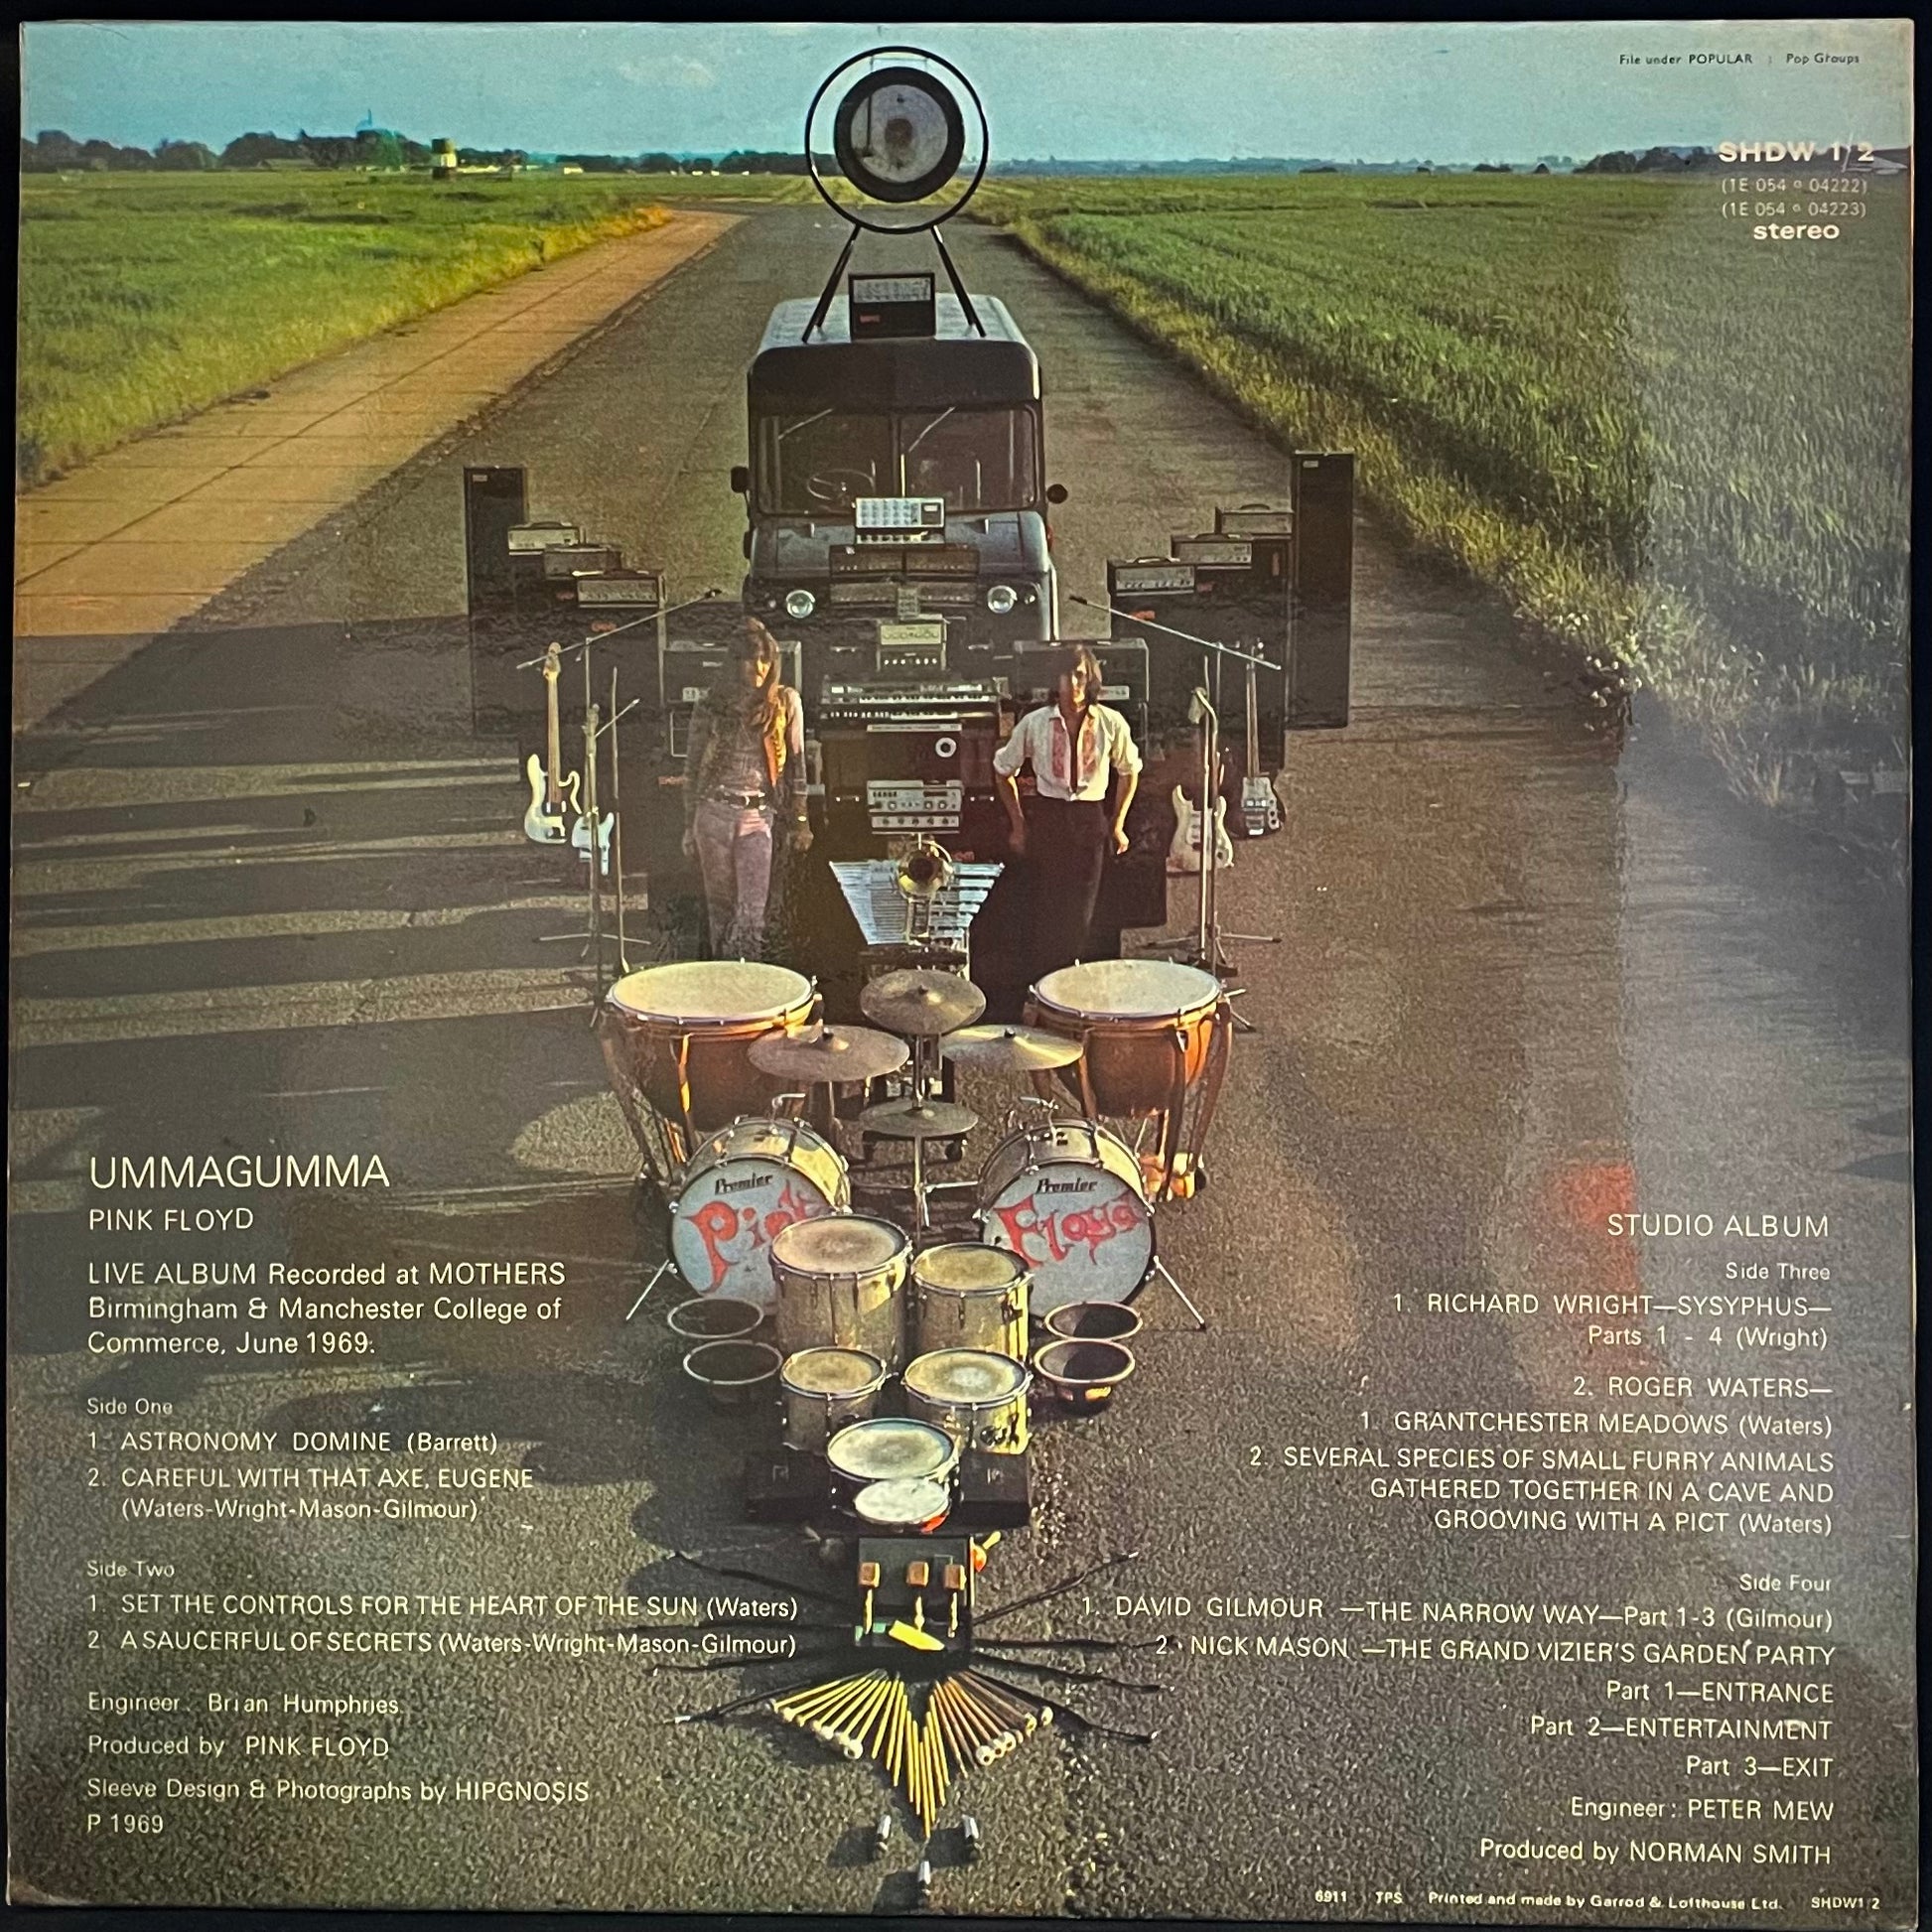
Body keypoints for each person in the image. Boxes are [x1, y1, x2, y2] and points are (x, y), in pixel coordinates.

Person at [992, 643, 1142, 981]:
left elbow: (1130, 771)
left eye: (1079, 675)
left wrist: (1118, 824)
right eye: (1065, 675)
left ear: (1090, 680)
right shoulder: (1035, 723)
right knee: (1049, 909)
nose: (1072, 683)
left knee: (1089, 910)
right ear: (1054, 680)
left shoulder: (1111, 722)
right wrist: (1018, 825)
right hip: (1049, 818)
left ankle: (1091, 989)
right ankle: (1048, 988)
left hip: (1090, 818)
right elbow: (1003, 770)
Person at [682, 619, 811, 958]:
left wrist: (801, 821)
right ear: (734, 662)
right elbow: (692, 768)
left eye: (765, 660)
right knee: (720, 912)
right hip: (713, 813)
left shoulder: (785, 702)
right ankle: (723, 979)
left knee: (752, 914)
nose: (758, 667)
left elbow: (797, 767)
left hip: (758, 816)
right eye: (749, 659)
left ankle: (748, 977)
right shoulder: (711, 705)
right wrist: (688, 824)